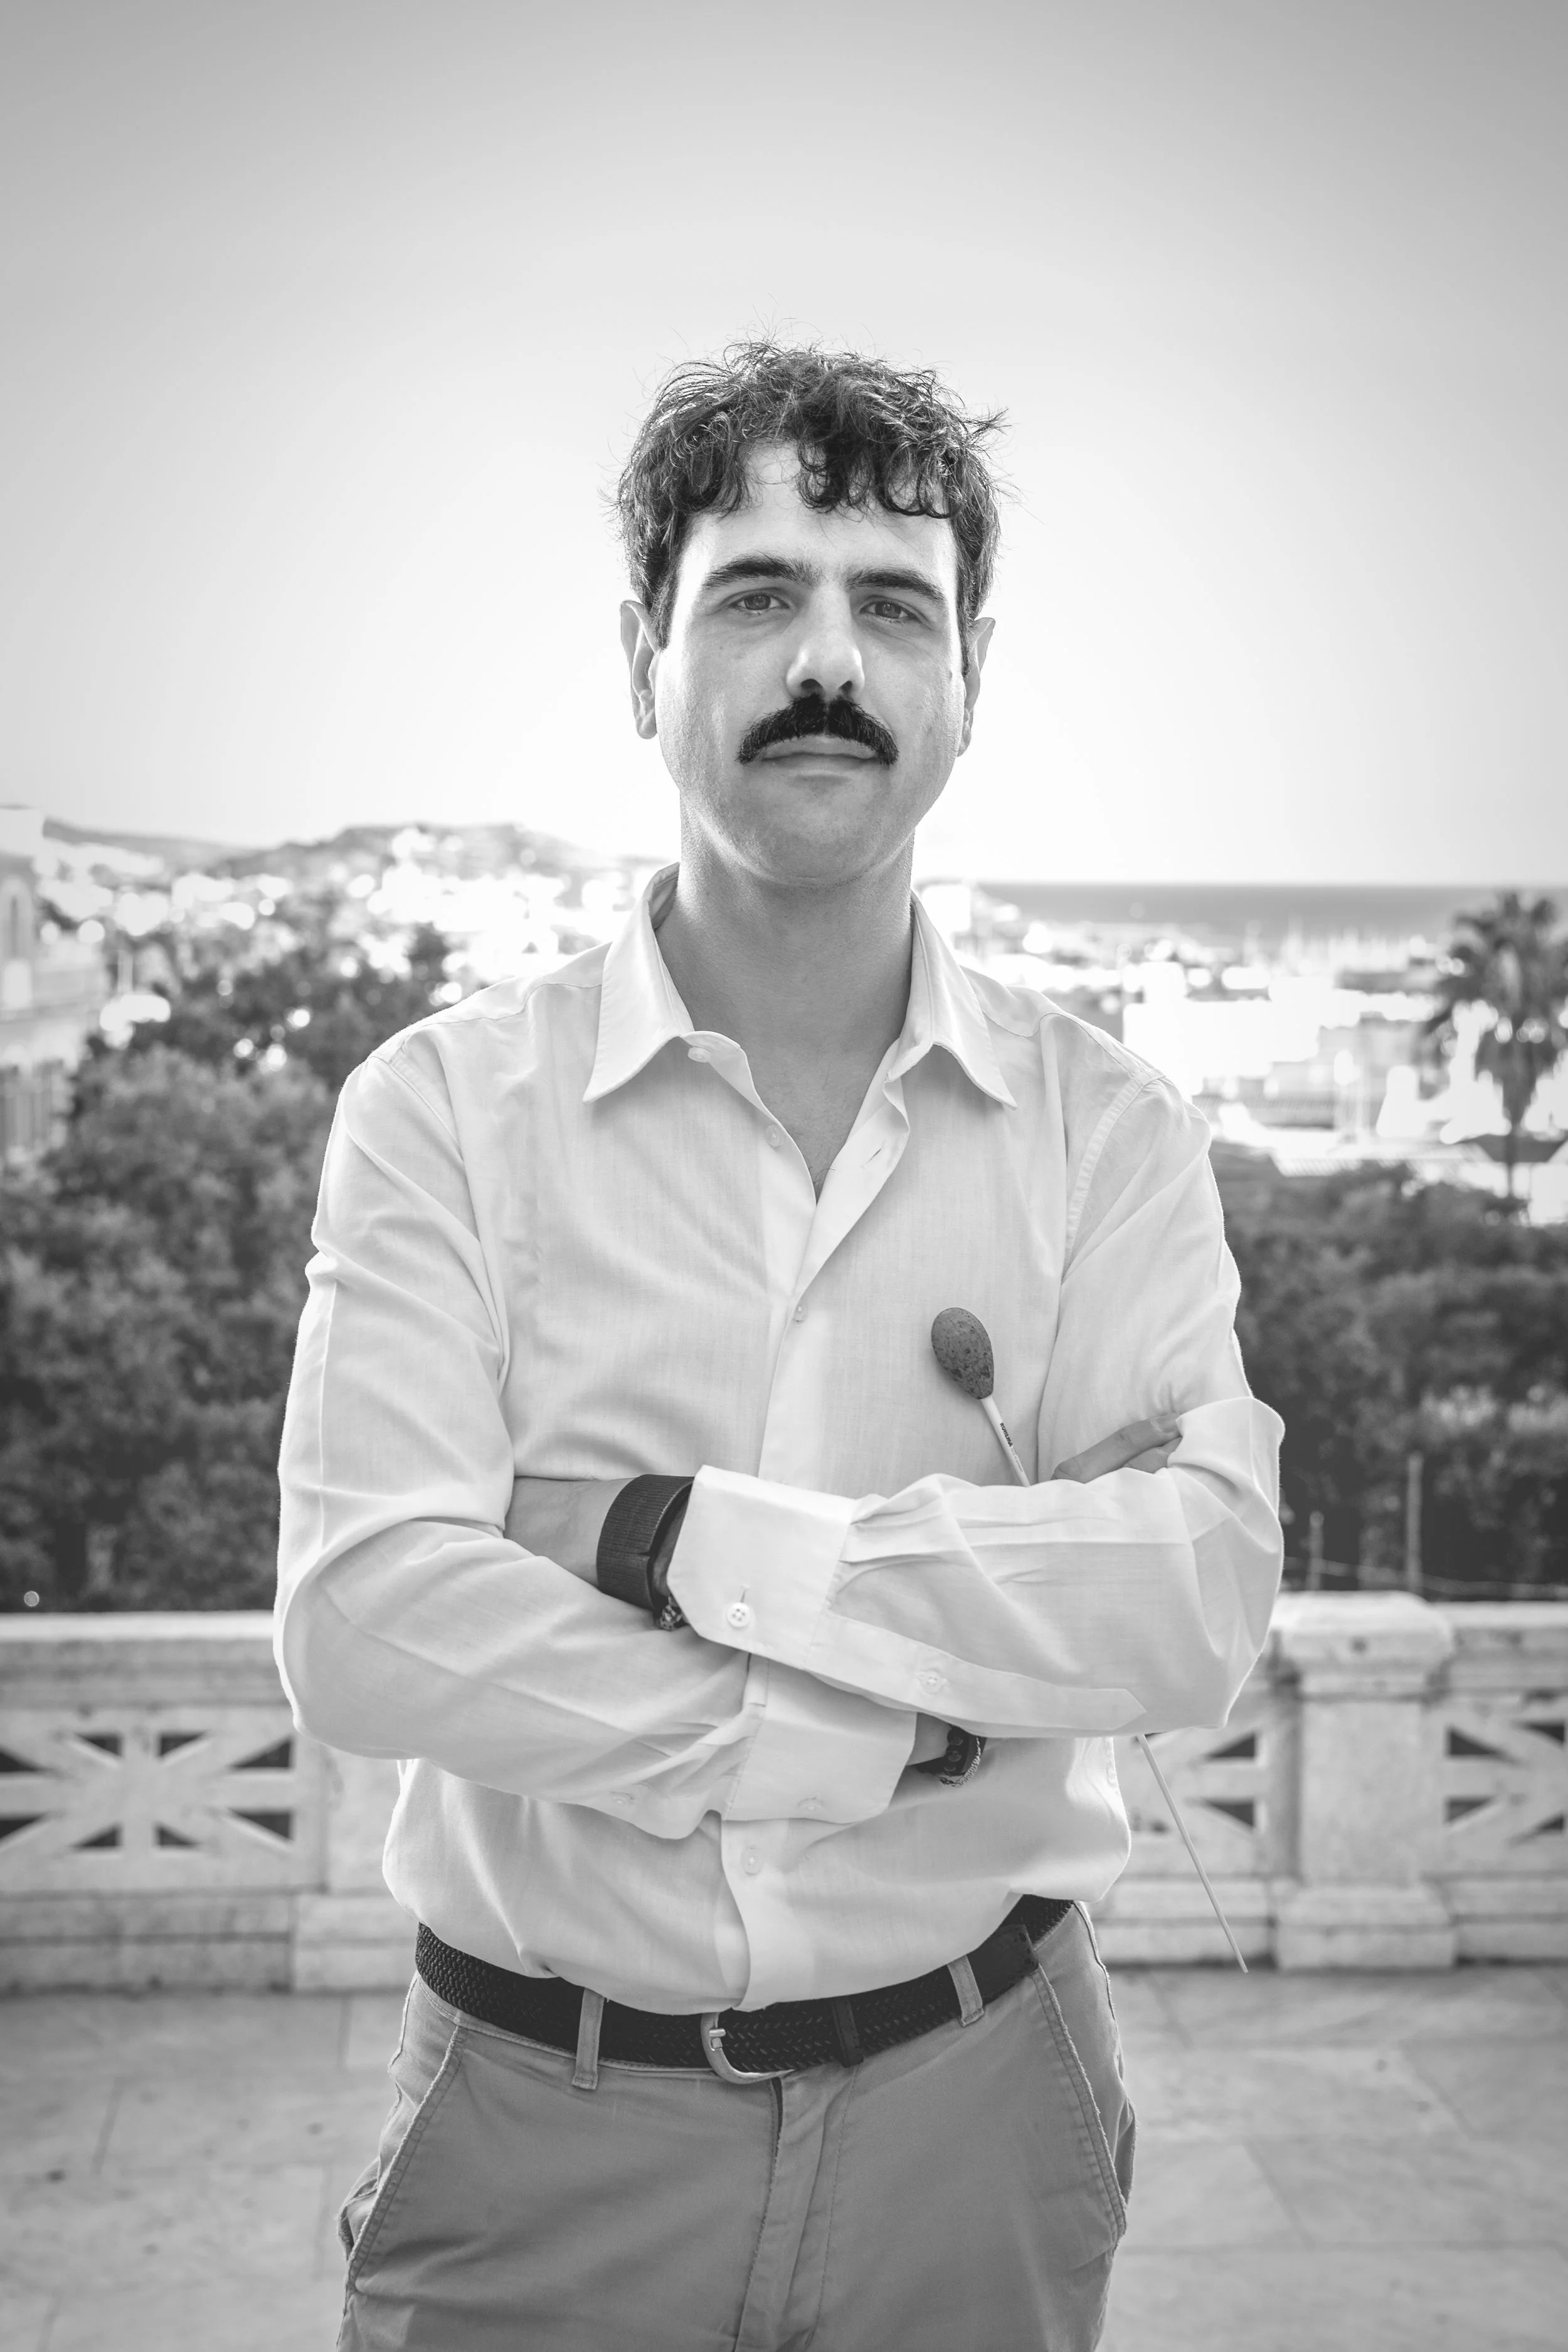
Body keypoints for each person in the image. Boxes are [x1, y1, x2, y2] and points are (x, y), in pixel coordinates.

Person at [275, 341, 1283, 2352]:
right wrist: (888, 1721)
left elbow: (1192, 1600)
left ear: (966, 675)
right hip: (537, 2128)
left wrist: (658, 1536)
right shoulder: (445, 1110)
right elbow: (370, 1619)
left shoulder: (1107, 1131)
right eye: (754, 592)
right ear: (639, 658)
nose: (827, 659)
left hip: (984, 2102)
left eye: (893, 606)